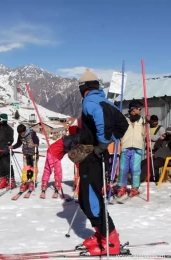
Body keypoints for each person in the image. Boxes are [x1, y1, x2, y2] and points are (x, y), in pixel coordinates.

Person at [63, 69, 128, 256]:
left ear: (83, 88)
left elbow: (99, 118)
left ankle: (111, 240)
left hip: (93, 157)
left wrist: (102, 142)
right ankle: (101, 234)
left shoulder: (91, 102)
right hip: (93, 156)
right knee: (85, 198)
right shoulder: (107, 102)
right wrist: (109, 140)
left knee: (91, 200)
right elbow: (122, 125)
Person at [116, 100, 146, 198]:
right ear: (133, 109)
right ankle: (122, 186)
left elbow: (145, 134)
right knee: (123, 169)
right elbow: (118, 131)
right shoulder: (123, 119)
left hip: (137, 147)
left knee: (135, 169)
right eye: (139, 109)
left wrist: (147, 125)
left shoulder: (142, 120)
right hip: (126, 146)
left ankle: (135, 187)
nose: (140, 111)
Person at [40, 125, 78, 199]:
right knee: (57, 171)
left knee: (48, 169)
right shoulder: (73, 139)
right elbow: (72, 151)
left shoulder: (69, 137)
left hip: (51, 151)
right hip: (54, 154)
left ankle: (45, 183)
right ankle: (56, 184)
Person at [10, 124, 39, 193]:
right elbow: (19, 143)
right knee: (26, 168)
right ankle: (24, 181)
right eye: (20, 133)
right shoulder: (20, 135)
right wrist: (13, 147)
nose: (21, 134)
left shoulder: (32, 133)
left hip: (33, 153)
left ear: (25, 130)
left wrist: (36, 144)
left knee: (33, 168)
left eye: (22, 133)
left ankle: (32, 181)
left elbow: (37, 140)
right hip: (26, 153)